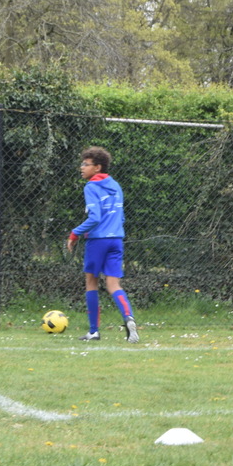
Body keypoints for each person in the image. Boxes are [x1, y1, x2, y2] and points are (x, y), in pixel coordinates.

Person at [67, 146, 139, 344]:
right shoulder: (115, 185)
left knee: (91, 282)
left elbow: (95, 217)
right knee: (113, 284)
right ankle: (129, 318)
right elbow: (121, 216)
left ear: (97, 167)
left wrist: (75, 233)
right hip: (116, 239)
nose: (81, 167)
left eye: (86, 164)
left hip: (98, 240)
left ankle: (94, 331)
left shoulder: (91, 187)